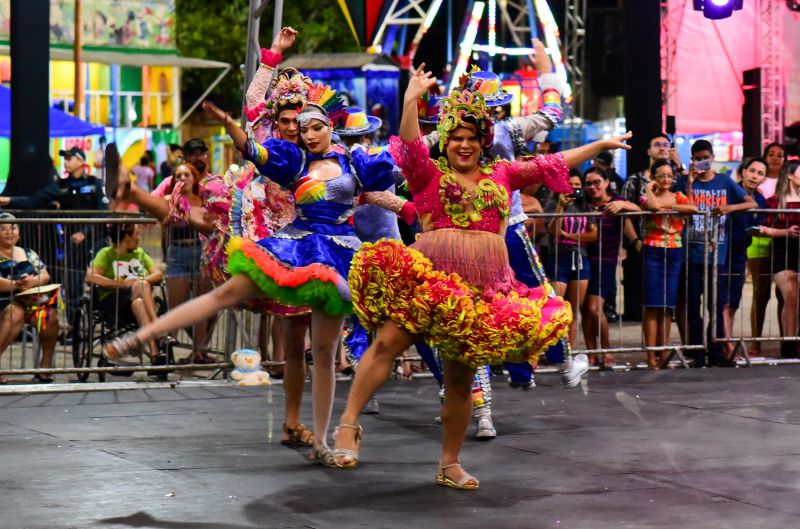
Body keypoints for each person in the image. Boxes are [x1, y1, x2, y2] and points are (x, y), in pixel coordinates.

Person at [329, 64, 631, 488]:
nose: (464, 146)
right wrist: (411, 98)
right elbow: (412, 144)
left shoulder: (502, 175)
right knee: (387, 344)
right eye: (456, 139)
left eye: (472, 139)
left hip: (481, 289)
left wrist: (599, 143)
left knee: (460, 377)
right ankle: (347, 425)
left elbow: (553, 161)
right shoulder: (427, 173)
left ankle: (449, 463)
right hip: (430, 278)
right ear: (447, 141)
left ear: (483, 141)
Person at [104, 80, 395, 467]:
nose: (306, 134)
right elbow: (254, 149)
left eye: (313, 126)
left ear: (330, 125)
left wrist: (409, 202)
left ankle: (322, 440)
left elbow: (397, 165)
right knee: (226, 295)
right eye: (301, 127)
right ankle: (139, 337)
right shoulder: (293, 161)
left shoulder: (354, 161)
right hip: (294, 246)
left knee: (323, 354)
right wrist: (229, 123)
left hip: (339, 256)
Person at [0, 146, 110, 323]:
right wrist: (8, 200)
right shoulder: (60, 186)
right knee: (73, 282)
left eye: (69, 158)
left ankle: (105, 320)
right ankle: (74, 328)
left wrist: (85, 231)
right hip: (74, 243)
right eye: (64, 158)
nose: (65, 162)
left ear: (81, 161)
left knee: (102, 281)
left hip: (96, 239)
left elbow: (103, 212)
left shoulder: (95, 184)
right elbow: (34, 200)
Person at [675, 139, 756, 367]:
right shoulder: (684, 181)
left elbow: (750, 202)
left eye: (705, 157)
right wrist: (689, 182)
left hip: (717, 254)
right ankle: (696, 351)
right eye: (698, 158)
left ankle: (716, 350)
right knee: (692, 304)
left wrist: (730, 207)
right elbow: (684, 207)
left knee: (717, 305)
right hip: (691, 253)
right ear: (692, 160)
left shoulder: (725, 181)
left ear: (712, 157)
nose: (702, 162)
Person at [639, 160, 698, 369]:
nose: (666, 179)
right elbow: (653, 206)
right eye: (661, 175)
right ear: (654, 176)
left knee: (667, 307)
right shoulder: (648, 195)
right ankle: (651, 357)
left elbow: (693, 208)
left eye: (669, 175)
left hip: (674, 251)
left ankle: (664, 355)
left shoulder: (678, 196)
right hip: (653, 250)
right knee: (652, 306)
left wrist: (671, 205)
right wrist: (648, 187)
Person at [581, 166, 640, 367]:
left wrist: (623, 205)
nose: (592, 187)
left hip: (605, 261)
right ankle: (591, 353)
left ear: (606, 182)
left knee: (594, 308)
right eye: (588, 183)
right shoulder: (584, 205)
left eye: (596, 182)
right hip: (583, 260)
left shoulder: (615, 203)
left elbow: (638, 209)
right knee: (584, 310)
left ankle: (606, 350)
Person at [88, 224, 165, 362]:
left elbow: (158, 274)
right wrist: (122, 284)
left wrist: (139, 281)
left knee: (138, 302)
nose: (139, 238)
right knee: (141, 285)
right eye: (137, 234)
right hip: (114, 302)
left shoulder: (140, 253)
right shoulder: (106, 253)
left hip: (139, 301)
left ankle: (154, 354)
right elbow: (91, 277)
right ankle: (159, 329)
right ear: (127, 237)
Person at [0, 213, 59, 383]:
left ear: (19, 233)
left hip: (31, 300)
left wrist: (32, 281)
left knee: (49, 316)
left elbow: (45, 275)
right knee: (14, 313)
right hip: (4, 301)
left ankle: (45, 365)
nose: (8, 232)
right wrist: (16, 285)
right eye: (2, 229)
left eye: (13, 228)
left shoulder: (28, 253)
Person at [718, 158, 768, 357]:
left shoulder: (761, 201)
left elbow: (755, 229)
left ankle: (725, 344)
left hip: (740, 256)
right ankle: (724, 347)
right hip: (722, 254)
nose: (755, 176)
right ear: (743, 172)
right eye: (752, 171)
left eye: (760, 173)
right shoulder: (730, 192)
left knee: (733, 304)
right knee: (722, 303)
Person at [620, 133, 672, 322]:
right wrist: (635, 240)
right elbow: (624, 211)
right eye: (657, 144)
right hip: (643, 242)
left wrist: (680, 166)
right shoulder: (635, 180)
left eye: (666, 144)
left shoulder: (675, 180)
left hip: (671, 243)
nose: (662, 148)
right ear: (649, 151)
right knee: (645, 292)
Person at [544, 171, 597, 349]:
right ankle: (555, 349)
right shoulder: (553, 203)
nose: (573, 189)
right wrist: (560, 206)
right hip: (559, 258)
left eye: (577, 185)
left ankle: (570, 350)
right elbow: (553, 231)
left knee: (573, 310)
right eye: (570, 185)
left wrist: (570, 236)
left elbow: (593, 234)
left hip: (581, 259)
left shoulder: (585, 206)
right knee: (557, 309)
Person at [755, 160, 800, 358]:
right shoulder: (774, 201)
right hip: (783, 251)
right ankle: (789, 344)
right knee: (790, 296)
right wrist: (785, 232)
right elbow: (762, 230)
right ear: (790, 175)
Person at [749, 142, 786, 355]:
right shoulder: (759, 179)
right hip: (760, 241)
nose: (775, 158)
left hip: (783, 242)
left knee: (784, 294)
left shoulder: (789, 180)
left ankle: (786, 341)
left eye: (780, 155)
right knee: (760, 293)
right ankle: (755, 342)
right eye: (771, 154)